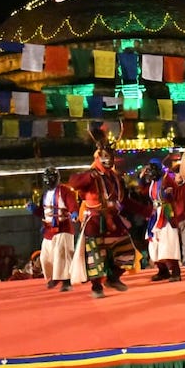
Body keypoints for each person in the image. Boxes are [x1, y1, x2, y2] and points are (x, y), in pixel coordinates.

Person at [69, 127, 143, 298]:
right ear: (97, 157)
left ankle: (113, 277)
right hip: (94, 220)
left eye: (110, 157)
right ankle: (96, 287)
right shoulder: (90, 175)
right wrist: (89, 177)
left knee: (127, 251)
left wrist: (146, 210)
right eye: (104, 157)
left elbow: (124, 201)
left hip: (114, 219)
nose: (108, 160)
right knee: (96, 255)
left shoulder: (116, 177)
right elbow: (73, 182)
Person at [27, 167, 79, 292]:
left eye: (52, 178)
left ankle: (66, 282)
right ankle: (55, 277)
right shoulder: (45, 195)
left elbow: (72, 204)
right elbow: (43, 212)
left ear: (57, 178)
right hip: (49, 229)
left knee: (62, 255)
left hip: (63, 227)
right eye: (47, 178)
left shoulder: (65, 191)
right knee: (46, 257)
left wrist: (74, 213)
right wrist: (34, 209)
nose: (50, 181)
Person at [140, 158, 182, 282]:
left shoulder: (167, 179)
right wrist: (141, 177)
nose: (150, 172)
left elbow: (175, 194)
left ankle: (175, 271)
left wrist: (166, 193)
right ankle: (162, 270)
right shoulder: (152, 181)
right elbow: (142, 190)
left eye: (152, 169)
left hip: (166, 214)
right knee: (154, 243)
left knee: (168, 241)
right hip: (155, 214)